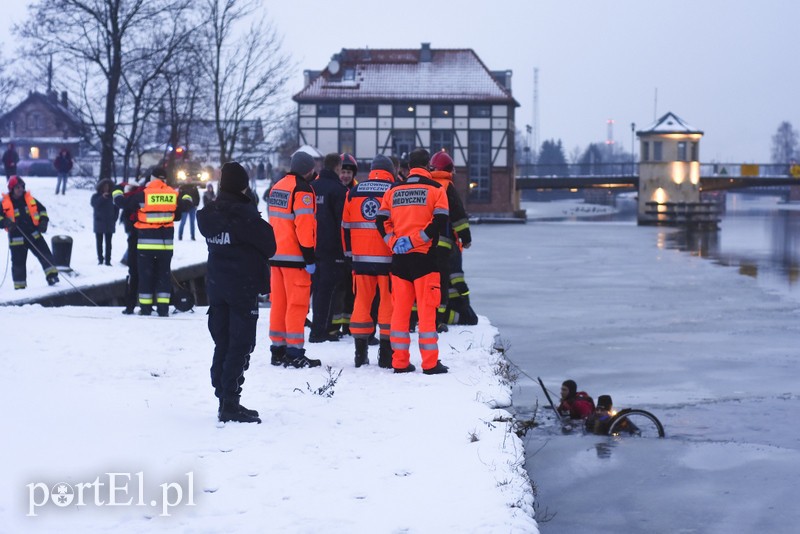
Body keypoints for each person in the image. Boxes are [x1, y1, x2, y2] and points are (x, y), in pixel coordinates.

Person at [198, 161, 276, 424]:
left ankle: (222, 389)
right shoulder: (244, 214)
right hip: (242, 287)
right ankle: (230, 402)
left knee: (223, 339)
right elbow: (269, 244)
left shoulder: (209, 214)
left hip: (217, 285)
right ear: (243, 186)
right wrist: (250, 209)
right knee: (241, 343)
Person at [375, 148, 449, 374]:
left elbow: (380, 220)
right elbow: (441, 221)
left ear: (408, 167)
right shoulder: (436, 190)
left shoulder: (393, 191)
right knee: (427, 313)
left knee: (400, 312)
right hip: (425, 259)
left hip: (399, 261)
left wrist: (394, 242)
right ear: (428, 166)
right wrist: (417, 240)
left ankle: (399, 362)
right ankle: (430, 364)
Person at [266, 151, 321, 369]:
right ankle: (295, 351)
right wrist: (309, 257)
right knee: (297, 306)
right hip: (296, 258)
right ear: (308, 169)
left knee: (278, 304)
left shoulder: (278, 186)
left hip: (276, 256)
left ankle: (277, 349)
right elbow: (305, 227)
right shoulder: (303, 190)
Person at [113, 166, 192, 317]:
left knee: (145, 277)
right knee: (164, 276)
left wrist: (116, 190)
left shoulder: (143, 194)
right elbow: (186, 205)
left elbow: (123, 203)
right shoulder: (172, 194)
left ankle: (146, 308)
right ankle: (163, 309)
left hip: (145, 243)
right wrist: (186, 193)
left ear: (152, 178)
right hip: (165, 245)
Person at [342, 154, 396, 367]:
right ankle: (385, 355)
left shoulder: (353, 192)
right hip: (388, 259)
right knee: (387, 305)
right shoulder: (394, 190)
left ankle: (360, 353)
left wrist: (349, 255)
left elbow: (345, 227)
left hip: (361, 261)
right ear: (389, 171)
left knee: (361, 304)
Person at [429, 151, 472, 332]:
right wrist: (466, 238)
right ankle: (440, 319)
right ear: (449, 170)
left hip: (422, 244)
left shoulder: (427, 185)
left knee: (428, 282)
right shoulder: (447, 187)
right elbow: (459, 216)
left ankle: (420, 316)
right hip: (444, 244)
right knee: (444, 282)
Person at [308, 153, 347, 343]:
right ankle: (321, 330)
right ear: (338, 167)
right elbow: (342, 222)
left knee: (318, 289)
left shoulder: (312, 187)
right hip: (332, 248)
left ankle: (318, 327)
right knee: (329, 290)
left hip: (313, 247)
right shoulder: (338, 190)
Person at [0, 176, 60, 288]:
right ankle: (20, 287)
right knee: (18, 264)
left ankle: (52, 276)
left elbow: (42, 210)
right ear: (12, 189)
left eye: (22, 187)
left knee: (45, 254)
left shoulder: (29, 199)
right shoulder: (4, 203)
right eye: (17, 187)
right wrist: (6, 223)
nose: (20, 189)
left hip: (33, 234)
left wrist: (43, 221)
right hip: (17, 238)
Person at [331, 152, 359, 336]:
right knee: (337, 290)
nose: (346, 175)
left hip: (353, 248)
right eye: (343, 171)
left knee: (351, 290)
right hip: (334, 247)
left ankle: (349, 325)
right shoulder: (334, 190)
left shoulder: (356, 193)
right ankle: (334, 327)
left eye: (349, 172)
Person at [116, 177, 147, 314]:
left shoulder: (129, 202)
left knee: (133, 274)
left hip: (134, 241)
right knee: (148, 274)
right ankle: (148, 306)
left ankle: (130, 306)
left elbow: (127, 224)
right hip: (147, 240)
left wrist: (117, 191)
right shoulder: (145, 199)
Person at [90, 178, 118, 266]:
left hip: (110, 223)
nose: (106, 188)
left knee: (109, 243)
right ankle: (100, 259)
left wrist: (114, 219)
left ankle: (108, 260)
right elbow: (94, 204)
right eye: (104, 186)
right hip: (99, 222)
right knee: (99, 242)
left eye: (108, 186)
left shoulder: (113, 197)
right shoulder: (96, 196)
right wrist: (102, 197)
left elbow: (117, 209)